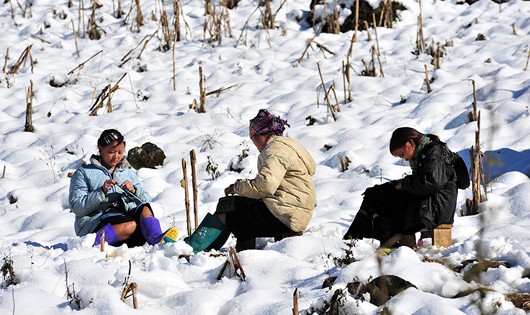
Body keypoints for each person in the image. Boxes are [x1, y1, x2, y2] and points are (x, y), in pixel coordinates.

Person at [185, 109, 317, 253]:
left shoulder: (275, 150)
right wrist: (241, 188)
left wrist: (237, 188)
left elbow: (265, 186)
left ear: (261, 136)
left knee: (230, 210)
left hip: (284, 213)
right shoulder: (288, 146)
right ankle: (214, 249)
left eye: (253, 138)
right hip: (294, 212)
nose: (254, 144)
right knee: (239, 207)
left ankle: (193, 248)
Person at [343, 127, 459, 248]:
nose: (405, 159)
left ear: (410, 142)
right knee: (376, 193)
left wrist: (404, 184)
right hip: (429, 201)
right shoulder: (425, 152)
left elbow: (432, 182)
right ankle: (356, 239)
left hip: (436, 208)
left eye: (402, 154)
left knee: (386, 201)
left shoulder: (434, 151)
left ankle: (361, 242)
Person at [69, 129, 178, 247]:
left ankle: (157, 240)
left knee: (144, 209)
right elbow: (77, 207)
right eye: (112, 152)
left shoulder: (127, 172)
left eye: (120, 152)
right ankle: (92, 244)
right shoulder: (83, 173)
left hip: (125, 221)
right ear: (100, 148)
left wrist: (134, 191)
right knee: (130, 225)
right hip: (95, 223)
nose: (116, 156)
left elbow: (147, 200)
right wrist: (101, 192)